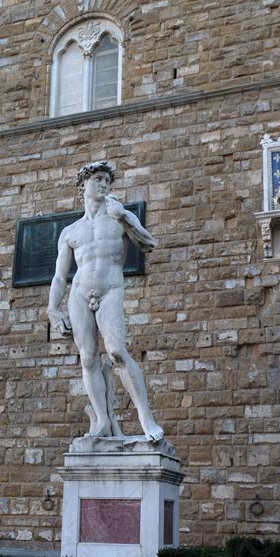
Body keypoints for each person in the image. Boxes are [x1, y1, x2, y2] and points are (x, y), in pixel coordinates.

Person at [47, 161, 164, 441]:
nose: (103, 185)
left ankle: (145, 419)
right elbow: (60, 277)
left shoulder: (118, 217)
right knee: (87, 358)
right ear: (83, 186)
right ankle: (101, 421)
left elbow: (149, 244)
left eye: (107, 181)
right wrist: (52, 308)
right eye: (97, 179)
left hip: (110, 289)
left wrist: (123, 216)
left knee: (116, 352)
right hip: (79, 293)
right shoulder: (71, 231)